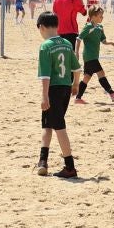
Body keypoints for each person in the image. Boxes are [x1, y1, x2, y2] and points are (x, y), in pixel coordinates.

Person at [35, 13, 77, 179]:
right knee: (47, 124)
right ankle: (43, 161)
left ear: (42, 27)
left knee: (59, 127)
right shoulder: (67, 44)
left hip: (53, 90)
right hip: (66, 88)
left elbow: (45, 75)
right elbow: (77, 68)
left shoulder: (45, 46)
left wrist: (44, 96)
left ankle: (70, 166)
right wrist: (75, 84)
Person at [74, 7, 114, 104]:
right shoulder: (88, 27)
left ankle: (78, 98)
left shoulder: (100, 27)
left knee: (87, 77)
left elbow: (103, 40)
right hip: (89, 56)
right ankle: (112, 94)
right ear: (93, 16)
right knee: (101, 73)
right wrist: (76, 53)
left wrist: (110, 42)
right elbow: (79, 39)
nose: (102, 17)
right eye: (100, 16)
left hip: (94, 56)